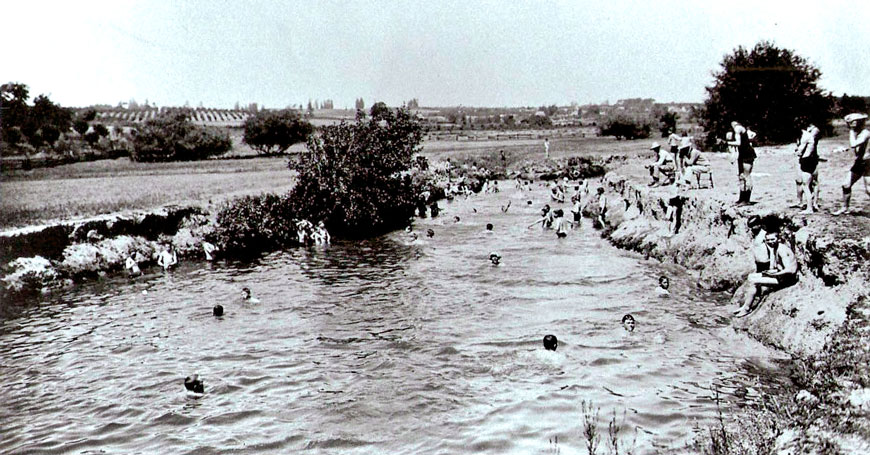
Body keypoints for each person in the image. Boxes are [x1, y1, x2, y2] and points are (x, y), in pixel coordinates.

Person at [734, 232, 798, 317]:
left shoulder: (782, 250)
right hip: (781, 275)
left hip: (787, 279)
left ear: (778, 239)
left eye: (772, 239)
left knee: (754, 282)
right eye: (768, 240)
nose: (770, 242)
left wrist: (775, 274)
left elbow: (790, 270)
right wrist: (771, 272)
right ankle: (745, 305)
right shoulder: (775, 248)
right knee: (751, 276)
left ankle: (747, 309)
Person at [833, 113, 870, 215]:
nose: (850, 124)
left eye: (852, 122)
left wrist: (851, 132)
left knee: (869, 189)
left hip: (868, 163)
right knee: (846, 185)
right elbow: (858, 147)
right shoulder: (858, 133)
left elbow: (854, 144)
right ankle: (845, 208)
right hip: (859, 163)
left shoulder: (865, 133)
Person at [727, 121, 757, 205]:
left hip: (747, 154)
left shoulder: (737, 129)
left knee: (746, 176)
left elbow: (738, 143)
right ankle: (742, 198)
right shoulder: (738, 129)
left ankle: (746, 200)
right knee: (741, 176)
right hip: (742, 154)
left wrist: (726, 143)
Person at [794, 124, 821, 214]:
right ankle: (813, 204)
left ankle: (809, 208)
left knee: (805, 185)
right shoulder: (806, 135)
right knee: (811, 184)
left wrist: (797, 151)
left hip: (806, 161)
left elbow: (799, 151)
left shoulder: (805, 137)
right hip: (812, 160)